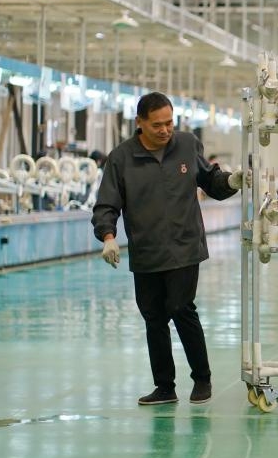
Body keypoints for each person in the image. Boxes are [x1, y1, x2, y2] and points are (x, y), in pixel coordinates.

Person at [91, 92, 244, 406]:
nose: (164, 130)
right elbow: (107, 203)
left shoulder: (187, 145)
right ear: (140, 124)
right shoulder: (121, 158)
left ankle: (202, 379)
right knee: (153, 317)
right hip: (146, 251)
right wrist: (107, 236)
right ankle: (165, 387)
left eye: (169, 123)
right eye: (157, 124)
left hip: (184, 246)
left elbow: (210, 181)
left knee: (180, 307)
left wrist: (232, 181)